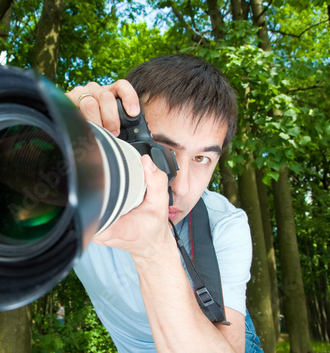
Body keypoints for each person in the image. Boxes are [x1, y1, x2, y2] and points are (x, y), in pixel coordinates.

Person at [67, 54, 262, 352]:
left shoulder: (224, 224)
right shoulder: (79, 195)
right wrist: (45, 124)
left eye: (201, 159)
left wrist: (153, 248)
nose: (181, 186)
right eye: (161, 149)